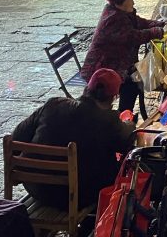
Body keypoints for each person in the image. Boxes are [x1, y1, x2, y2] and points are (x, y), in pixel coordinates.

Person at [11, 68, 134, 210]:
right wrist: (129, 124)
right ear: (113, 98)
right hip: (78, 196)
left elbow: (17, 137)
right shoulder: (109, 121)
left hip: (37, 188)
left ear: (87, 88)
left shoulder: (53, 105)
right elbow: (127, 141)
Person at [81, 0, 165, 115]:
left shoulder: (123, 12)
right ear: (120, 3)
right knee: (131, 85)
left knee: (133, 84)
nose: (133, 2)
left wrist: (162, 24)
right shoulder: (113, 19)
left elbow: (140, 22)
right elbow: (133, 36)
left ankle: (125, 115)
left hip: (119, 63)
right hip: (102, 68)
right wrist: (157, 31)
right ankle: (123, 117)